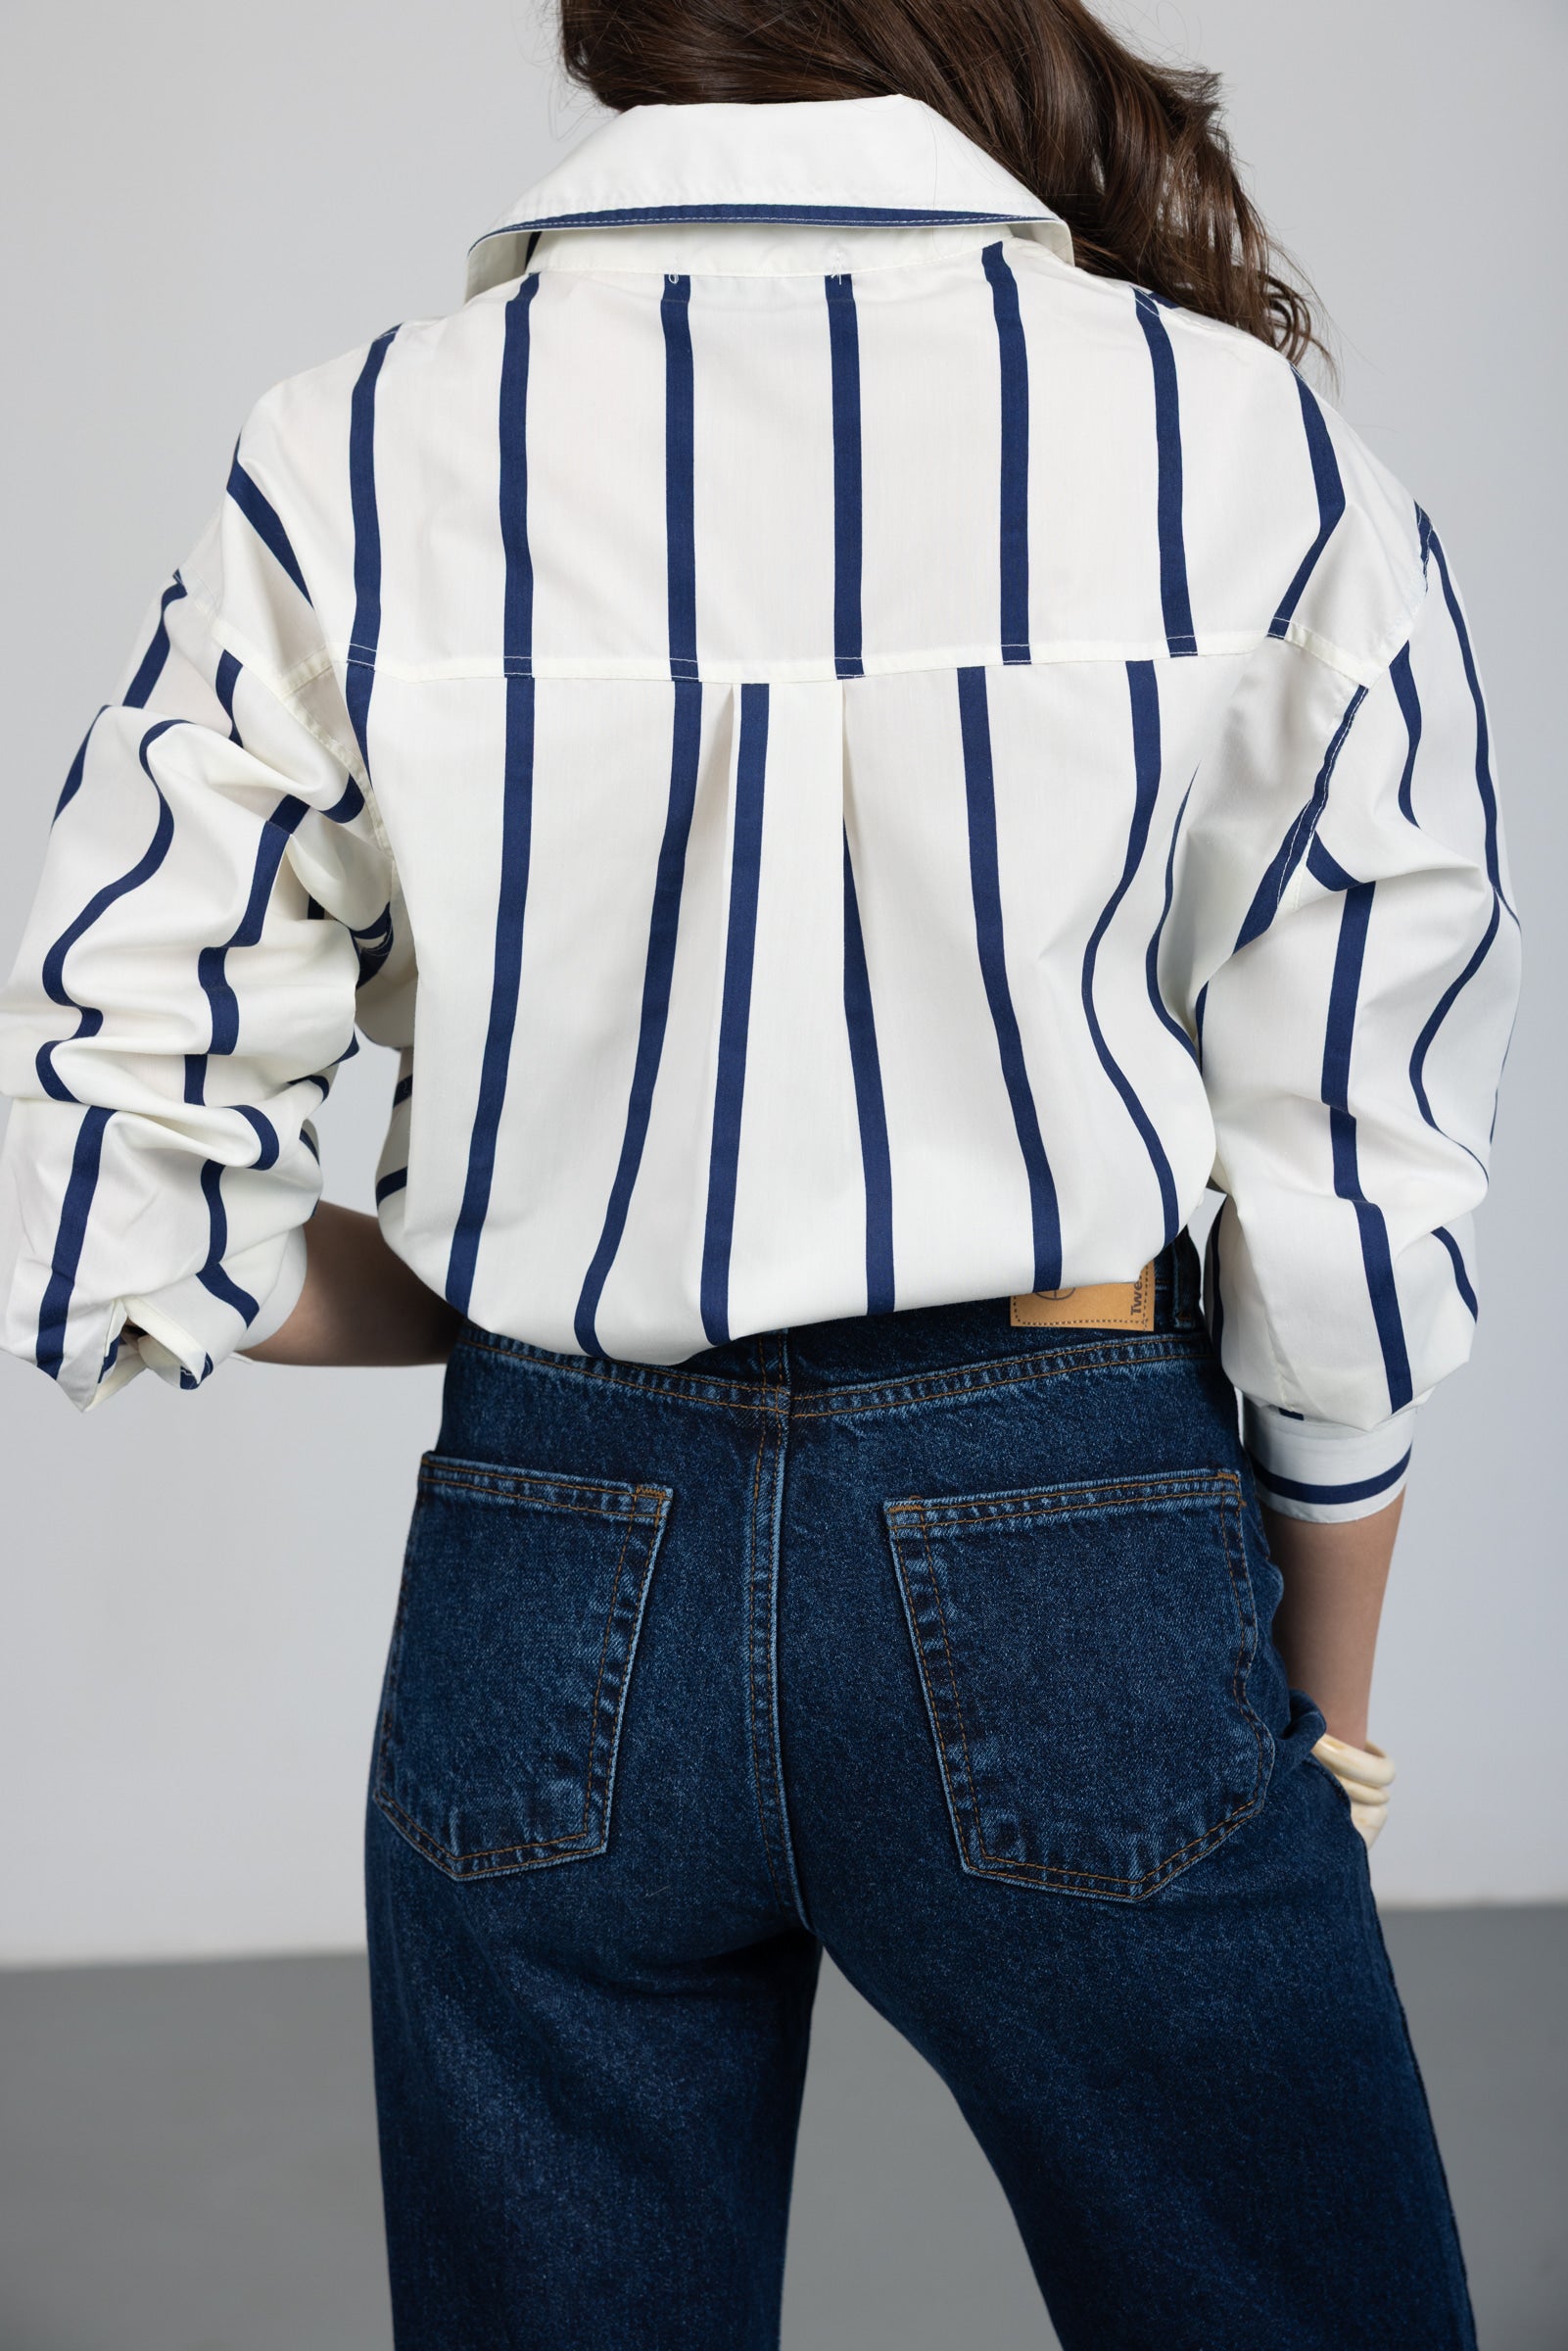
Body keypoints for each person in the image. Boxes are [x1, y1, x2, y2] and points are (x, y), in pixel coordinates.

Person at [0, 0, 1518, 2343]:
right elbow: (1358, 1158)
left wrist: (517, 1270)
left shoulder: (359, 445)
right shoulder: (1236, 441)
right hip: (1074, 1529)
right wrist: (1325, 1709)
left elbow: (102, 1139)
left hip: (549, 1540)